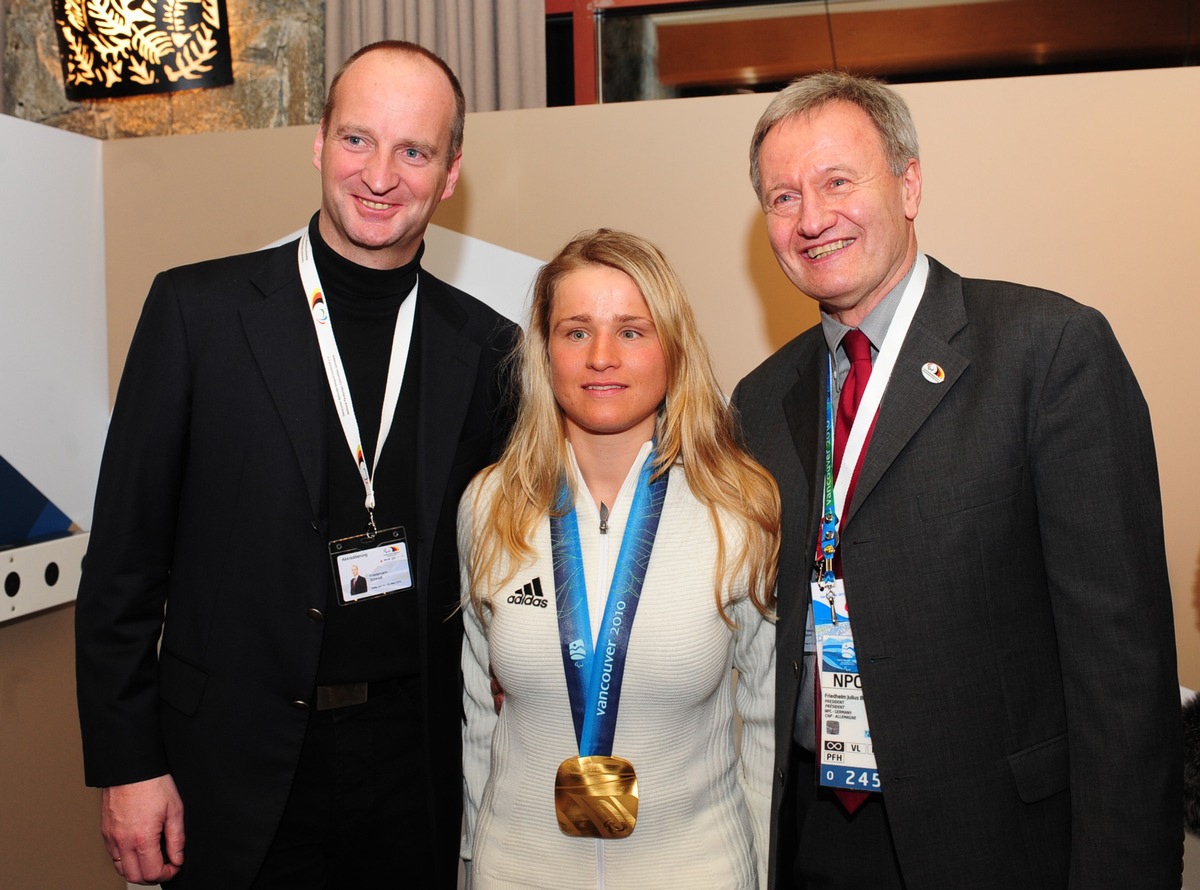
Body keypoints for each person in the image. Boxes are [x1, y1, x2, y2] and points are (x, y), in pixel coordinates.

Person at [74, 40, 518, 888]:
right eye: (358, 140)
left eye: (414, 150)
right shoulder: (195, 316)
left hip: (412, 775)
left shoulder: (491, 352)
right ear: (319, 142)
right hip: (228, 768)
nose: (380, 175)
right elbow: (123, 569)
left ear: (450, 173)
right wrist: (128, 765)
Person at [731, 72, 1182, 889]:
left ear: (908, 184)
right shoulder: (761, 401)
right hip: (818, 843)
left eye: (838, 181)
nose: (812, 218)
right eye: (783, 196)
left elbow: (1124, 671)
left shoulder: (1048, 353)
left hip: (1003, 844)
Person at [458, 228, 781, 889]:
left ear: (671, 348)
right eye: (576, 331)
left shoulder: (742, 506)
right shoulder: (488, 504)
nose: (601, 356)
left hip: (698, 871)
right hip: (517, 872)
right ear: (545, 352)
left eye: (631, 331)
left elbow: (767, 725)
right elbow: (476, 714)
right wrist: (469, 862)